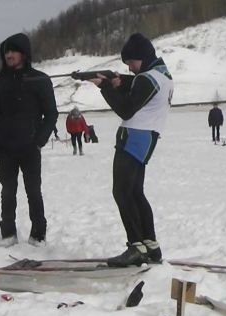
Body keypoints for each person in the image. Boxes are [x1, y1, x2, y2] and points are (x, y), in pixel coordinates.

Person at [88, 33, 173, 267]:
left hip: (134, 137)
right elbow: (138, 91)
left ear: (142, 58)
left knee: (122, 192)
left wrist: (105, 86)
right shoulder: (161, 75)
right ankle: (150, 246)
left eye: (131, 62)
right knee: (135, 193)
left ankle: (136, 246)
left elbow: (126, 109)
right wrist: (119, 82)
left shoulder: (147, 78)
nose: (130, 67)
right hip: (146, 138)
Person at [0, 33, 58, 247]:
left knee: (33, 191)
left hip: (29, 147)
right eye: (6, 52)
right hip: (5, 147)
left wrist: (39, 140)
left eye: (13, 51)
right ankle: (8, 233)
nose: (9, 55)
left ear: (24, 54)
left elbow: (51, 114)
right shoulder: (1, 81)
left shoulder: (40, 80)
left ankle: (38, 234)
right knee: (7, 191)